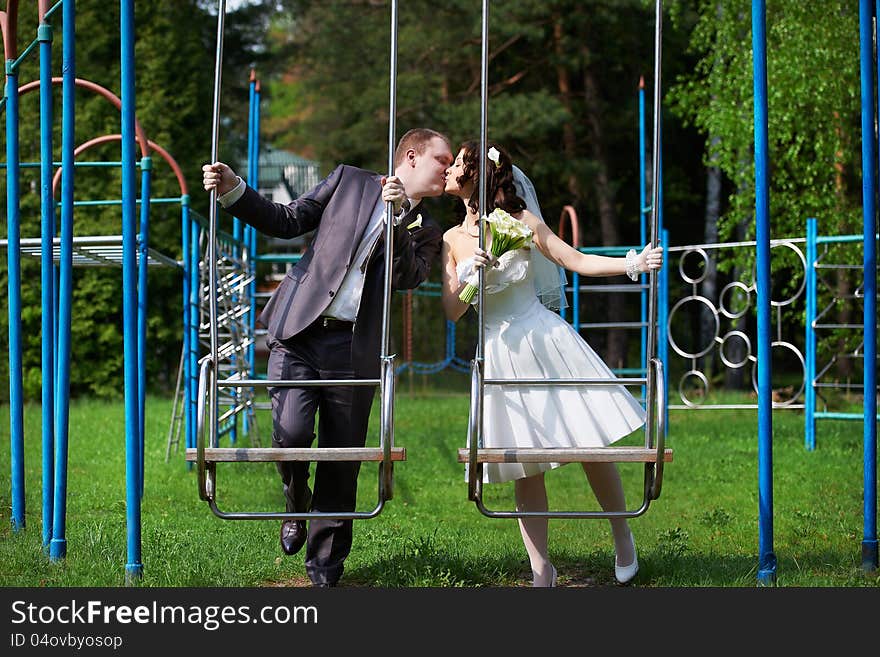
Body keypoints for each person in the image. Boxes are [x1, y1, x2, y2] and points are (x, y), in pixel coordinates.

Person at [202, 128, 454, 587]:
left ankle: (324, 568)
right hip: (298, 329)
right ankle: (296, 501)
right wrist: (234, 189)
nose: (450, 169)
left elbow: (408, 277)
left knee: (342, 460)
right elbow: (287, 220)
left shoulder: (427, 230)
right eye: (443, 159)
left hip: (352, 347)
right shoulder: (350, 181)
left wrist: (397, 221)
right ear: (412, 156)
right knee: (292, 434)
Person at [440, 140, 663, 587]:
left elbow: (572, 259)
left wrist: (631, 263)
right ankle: (541, 567)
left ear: (476, 174)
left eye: (456, 162)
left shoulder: (520, 221)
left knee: (590, 444)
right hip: (501, 352)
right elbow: (452, 311)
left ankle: (622, 535)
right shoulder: (452, 238)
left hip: (544, 339)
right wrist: (469, 277)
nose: (447, 169)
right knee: (525, 462)